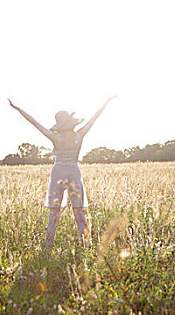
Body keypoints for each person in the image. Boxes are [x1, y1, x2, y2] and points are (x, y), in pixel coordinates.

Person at [8, 96, 117, 248]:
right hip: (72, 173)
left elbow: (35, 123)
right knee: (77, 212)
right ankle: (86, 246)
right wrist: (106, 101)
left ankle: (49, 248)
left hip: (59, 174)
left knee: (56, 213)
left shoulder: (56, 137)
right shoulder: (78, 134)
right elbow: (94, 118)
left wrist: (18, 108)